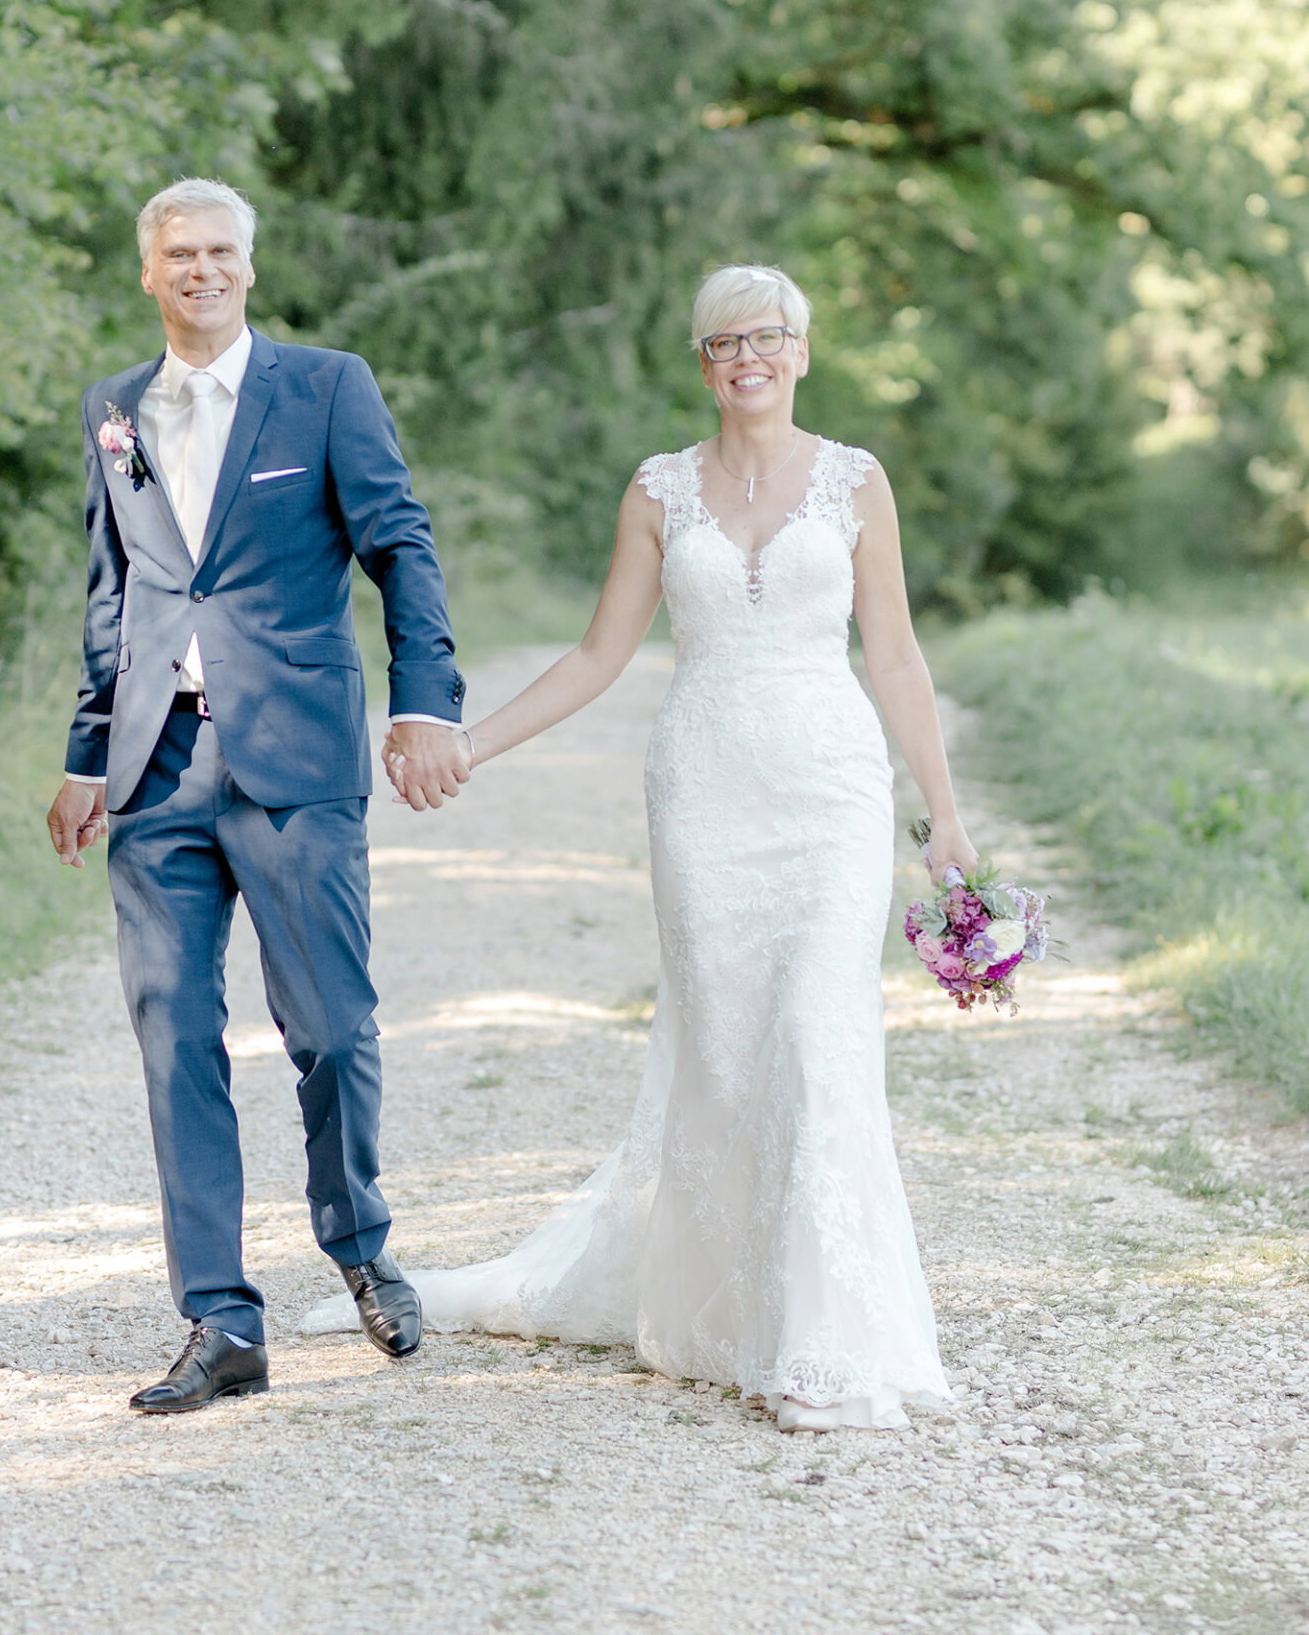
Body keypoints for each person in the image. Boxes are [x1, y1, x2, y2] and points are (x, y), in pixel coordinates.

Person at [307, 262, 976, 1430]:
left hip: (830, 793)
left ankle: (821, 1345)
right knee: (723, 1062)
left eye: (769, 337)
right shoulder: (660, 491)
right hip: (704, 795)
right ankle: (727, 1315)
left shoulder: (858, 484)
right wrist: (470, 742)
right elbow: (597, 655)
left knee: (821, 1041)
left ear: (803, 352)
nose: (748, 356)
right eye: (725, 342)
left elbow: (898, 655)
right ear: (704, 363)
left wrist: (946, 818)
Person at [46, 178, 472, 1412]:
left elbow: (402, 546)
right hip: (156, 769)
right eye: (179, 254)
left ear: (250, 264)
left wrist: (425, 702)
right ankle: (221, 1321)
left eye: (222, 251)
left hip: (294, 756)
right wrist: (86, 757)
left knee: (332, 1030)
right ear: (149, 271)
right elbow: (112, 594)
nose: (202, 270)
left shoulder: (327, 387)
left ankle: (360, 1249)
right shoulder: (114, 408)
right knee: (175, 1041)